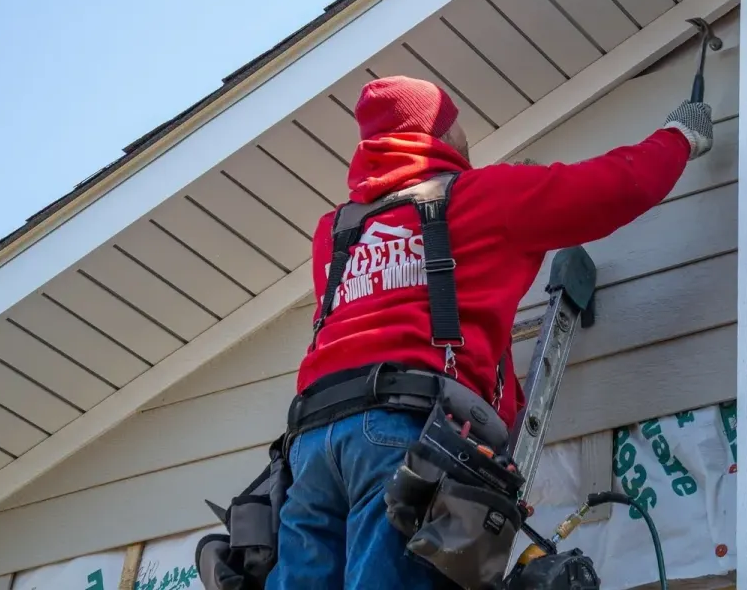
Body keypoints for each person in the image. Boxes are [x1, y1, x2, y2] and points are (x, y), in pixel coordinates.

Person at [265, 75, 714, 590]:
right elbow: (614, 186)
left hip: (311, 445)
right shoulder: (485, 197)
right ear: (444, 132)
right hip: (398, 433)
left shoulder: (335, 232)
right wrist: (679, 137)